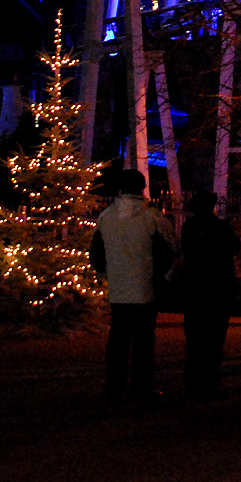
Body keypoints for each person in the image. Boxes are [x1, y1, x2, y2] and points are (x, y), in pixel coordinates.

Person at [91, 169, 170, 406]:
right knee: (143, 344)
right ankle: (141, 389)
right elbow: (169, 250)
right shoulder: (152, 217)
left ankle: (114, 389)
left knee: (117, 341)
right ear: (142, 187)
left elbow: (96, 253)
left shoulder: (106, 216)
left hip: (118, 289)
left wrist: (107, 274)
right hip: (146, 289)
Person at [179, 191, 239, 399]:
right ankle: (211, 382)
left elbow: (186, 252)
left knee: (195, 338)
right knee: (214, 339)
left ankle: (193, 380)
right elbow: (234, 249)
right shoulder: (222, 227)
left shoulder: (188, 228)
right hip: (218, 288)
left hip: (195, 288)